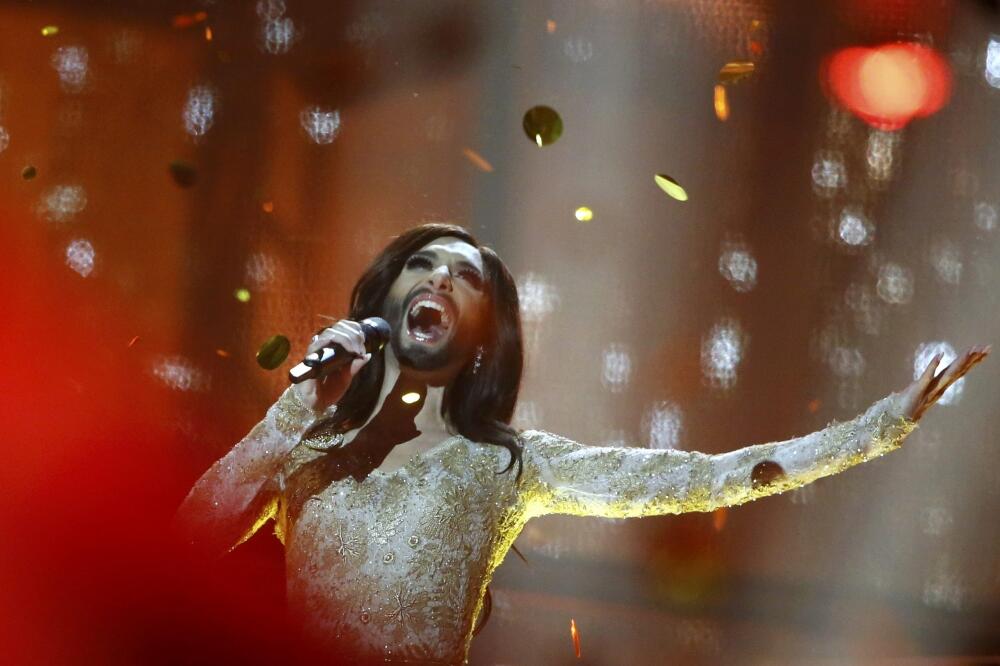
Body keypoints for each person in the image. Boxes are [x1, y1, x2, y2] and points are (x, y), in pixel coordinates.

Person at [176, 223, 989, 665]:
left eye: (467, 278)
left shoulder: (510, 465)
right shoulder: (310, 443)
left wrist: (882, 426)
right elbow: (183, 545)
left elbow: (707, 479)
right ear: (386, 296)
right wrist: (293, 414)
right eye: (422, 263)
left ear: (487, 337)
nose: (438, 279)